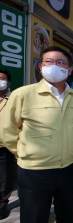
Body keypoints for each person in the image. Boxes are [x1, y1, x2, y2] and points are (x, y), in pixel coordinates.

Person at [0, 46, 73, 223]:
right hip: (34, 171)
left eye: (60, 62)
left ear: (69, 70)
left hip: (70, 167)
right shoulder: (22, 94)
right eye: (49, 61)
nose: (54, 65)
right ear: (40, 67)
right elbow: (7, 130)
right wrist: (25, 153)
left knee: (66, 216)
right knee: (34, 218)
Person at [0, 70, 14, 220]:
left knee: (4, 178)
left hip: (5, 146)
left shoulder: (13, 99)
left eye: (1, 79)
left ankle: (2, 206)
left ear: (8, 83)